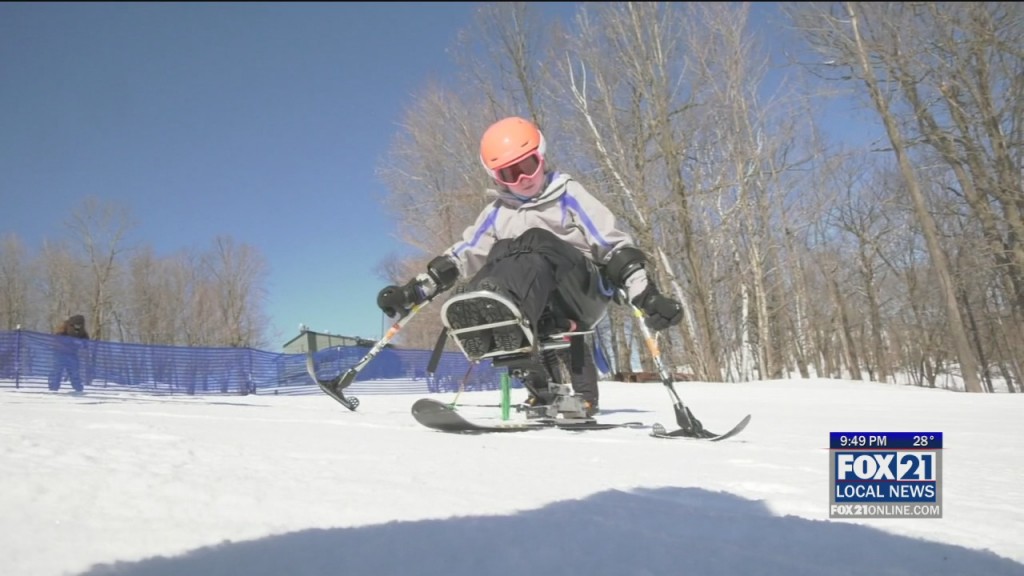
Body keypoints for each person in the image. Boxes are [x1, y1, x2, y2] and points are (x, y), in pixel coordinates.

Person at [377, 116, 682, 416]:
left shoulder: (568, 195)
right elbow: (464, 253)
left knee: (533, 240)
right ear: (497, 178)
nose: (523, 179)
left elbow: (612, 245)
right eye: (510, 174)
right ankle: (539, 388)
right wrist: (415, 291)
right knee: (501, 258)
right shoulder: (497, 212)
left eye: (528, 165)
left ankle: (584, 396)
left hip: (581, 290)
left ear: (542, 157)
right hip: (534, 294)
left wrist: (646, 295)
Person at [48, 314, 89, 393]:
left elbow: (86, 343)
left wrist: (83, 345)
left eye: (80, 325)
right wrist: (67, 345)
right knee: (57, 372)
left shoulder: (83, 333)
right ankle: (53, 389)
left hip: (73, 355)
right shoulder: (63, 330)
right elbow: (55, 341)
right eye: (76, 325)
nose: (78, 327)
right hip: (60, 354)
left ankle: (78, 390)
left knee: (75, 372)